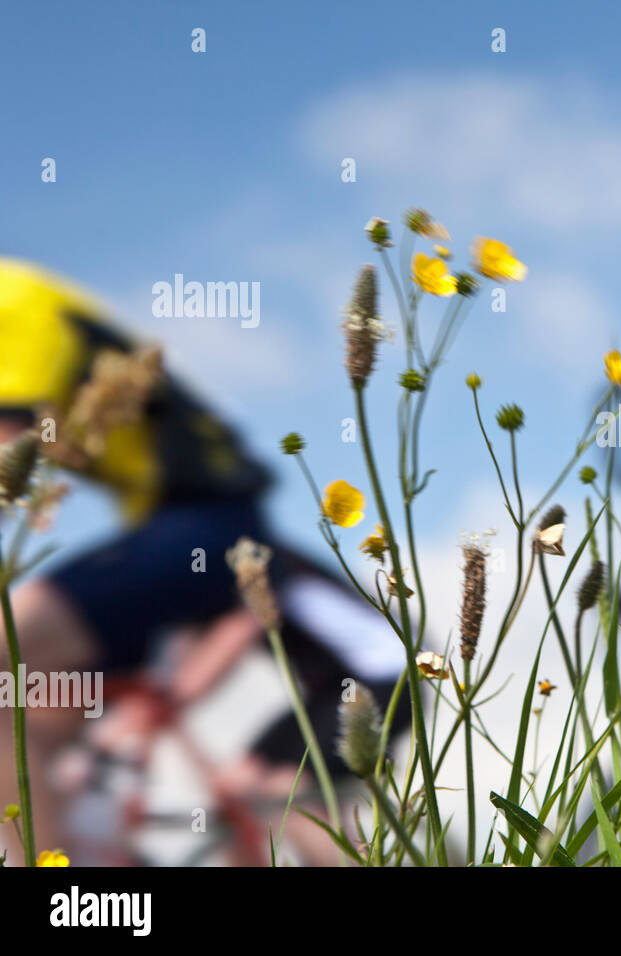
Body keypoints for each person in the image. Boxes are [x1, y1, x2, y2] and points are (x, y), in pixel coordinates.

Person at [0, 257, 410, 862]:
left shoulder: (263, 559)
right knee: (44, 702)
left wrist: (173, 698)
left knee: (278, 793)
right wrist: (151, 708)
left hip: (376, 677)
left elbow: (243, 620)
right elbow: (203, 638)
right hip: (208, 545)